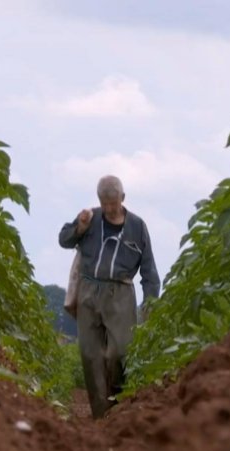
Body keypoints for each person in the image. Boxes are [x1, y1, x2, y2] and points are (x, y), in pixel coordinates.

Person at [58, 175, 160, 419]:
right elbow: (64, 240)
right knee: (89, 353)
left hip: (121, 294)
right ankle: (100, 414)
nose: (109, 209)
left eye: (113, 203)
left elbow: (149, 270)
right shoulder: (90, 218)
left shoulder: (138, 227)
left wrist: (150, 300)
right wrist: (79, 228)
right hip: (89, 290)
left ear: (122, 199)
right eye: (104, 204)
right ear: (99, 201)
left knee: (120, 351)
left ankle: (117, 401)